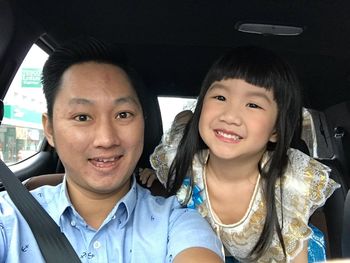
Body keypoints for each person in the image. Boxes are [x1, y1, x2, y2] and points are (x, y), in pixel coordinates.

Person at [0, 37, 224, 263]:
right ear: (49, 130)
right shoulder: (10, 218)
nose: (106, 139)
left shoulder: (178, 222)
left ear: (143, 123)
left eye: (123, 114)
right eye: (82, 117)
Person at [141, 46, 340, 262]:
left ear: (275, 130)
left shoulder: (289, 182)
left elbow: (294, 257)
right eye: (220, 97)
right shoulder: (179, 161)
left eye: (253, 104)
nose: (231, 116)